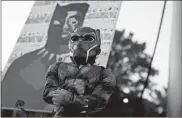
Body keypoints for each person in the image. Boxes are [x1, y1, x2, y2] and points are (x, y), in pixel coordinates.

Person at [43, 27, 116, 117]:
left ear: (98, 50)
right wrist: (71, 89)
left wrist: (72, 99)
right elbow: (47, 94)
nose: (80, 42)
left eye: (88, 38)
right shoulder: (56, 67)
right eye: (75, 38)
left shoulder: (105, 74)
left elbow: (99, 102)